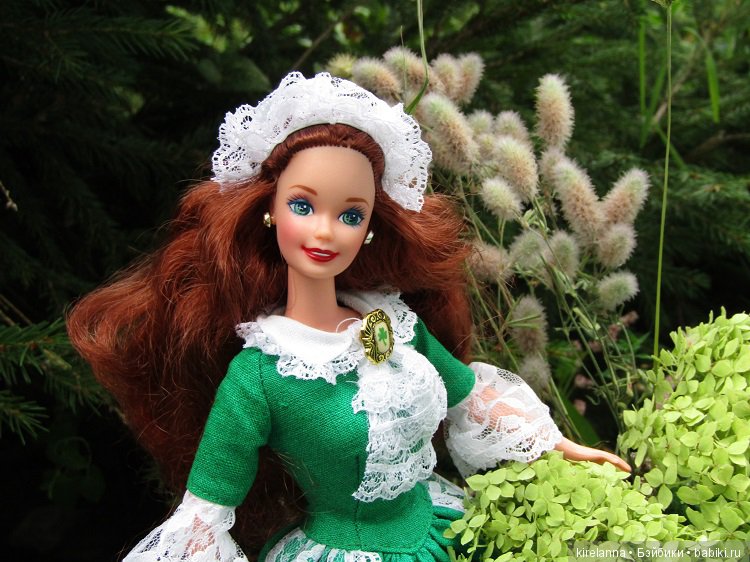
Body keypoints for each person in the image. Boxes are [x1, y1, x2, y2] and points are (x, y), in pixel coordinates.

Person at [67, 72, 629, 562]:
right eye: (303, 205)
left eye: (351, 214)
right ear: (268, 210)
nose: (325, 231)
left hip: (444, 526)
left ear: (371, 227)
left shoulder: (393, 321)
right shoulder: (260, 375)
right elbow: (206, 510)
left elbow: (469, 397)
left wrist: (560, 448)